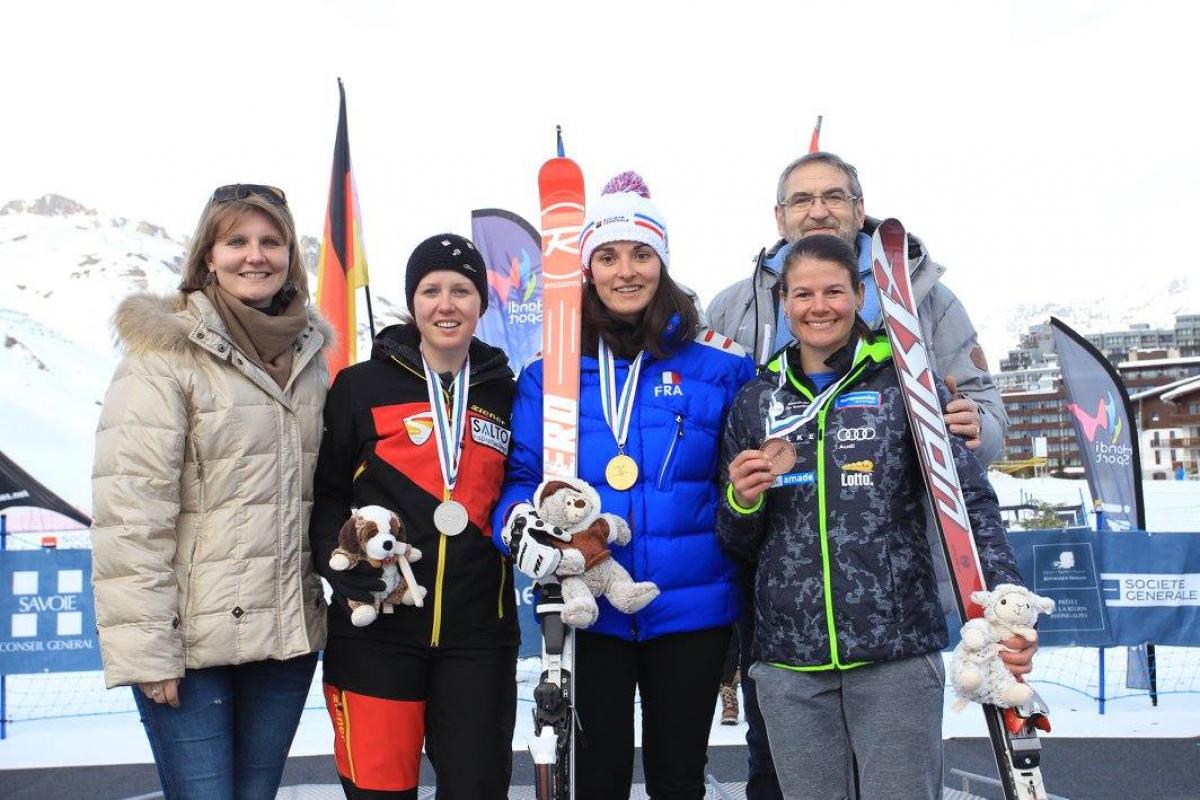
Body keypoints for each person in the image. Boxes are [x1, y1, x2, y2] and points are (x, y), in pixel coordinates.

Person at [707, 151, 1015, 799]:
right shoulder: (757, 400)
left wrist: (1006, 604)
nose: (819, 306)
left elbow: (970, 504)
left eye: (834, 292)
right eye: (803, 294)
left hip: (895, 648)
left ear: (859, 296)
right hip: (790, 658)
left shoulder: (907, 386)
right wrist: (742, 496)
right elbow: (735, 538)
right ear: (784, 303)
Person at [493, 172, 756, 799]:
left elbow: (745, 480)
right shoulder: (550, 372)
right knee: (596, 779)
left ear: (662, 263)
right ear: (587, 270)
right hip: (590, 612)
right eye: (607, 257)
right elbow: (522, 478)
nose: (625, 271)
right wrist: (520, 528)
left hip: (688, 608)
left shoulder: (721, 364)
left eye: (642, 254)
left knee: (678, 779)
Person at [92, 183, 331, 798]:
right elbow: (130, 514)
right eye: (237, 242)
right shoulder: (164, 356)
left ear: (289, 256)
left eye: (270, 241)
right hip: (191, 647)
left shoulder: (310, 358)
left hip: (283, 639)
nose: (255, 255)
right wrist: (148, 650)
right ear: (207, 257)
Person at [309, 233, 519, 799]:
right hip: (378, 632)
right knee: (379, 791)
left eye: (462, 290)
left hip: (479, 637)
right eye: (430, 290)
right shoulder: (359, 386)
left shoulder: (506, 390)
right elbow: (326, 492)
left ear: (482, 303)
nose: (446, 304)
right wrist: (338, 563)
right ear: (412, 301)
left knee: (475, 789)